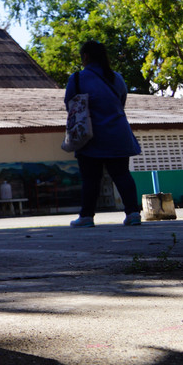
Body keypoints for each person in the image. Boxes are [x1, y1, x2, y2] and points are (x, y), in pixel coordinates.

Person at [65, 40, 142, 227]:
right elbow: (121, 102)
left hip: (90, 136)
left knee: (91, 178)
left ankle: (87, 217)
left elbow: (70, 104)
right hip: (118, 133)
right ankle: (133, 213)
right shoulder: (117, 78)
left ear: (85, 57)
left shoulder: (77, 79)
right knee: (122, 175)